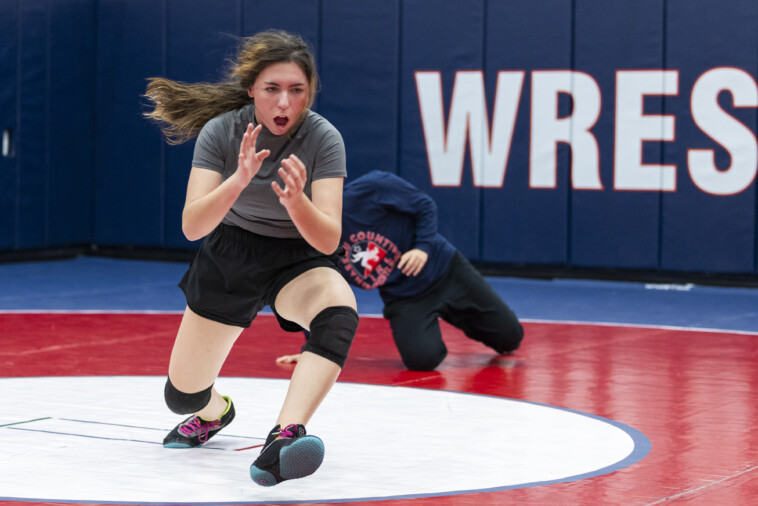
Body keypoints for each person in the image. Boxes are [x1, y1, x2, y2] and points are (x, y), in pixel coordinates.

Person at [143, 30, 358, 487]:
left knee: (338, 311)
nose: (284, 103)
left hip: (297, 257)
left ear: (309, 93)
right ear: (251, 91)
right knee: (182, 396)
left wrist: (298, 202)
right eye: (272, 89)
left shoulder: (324, 138)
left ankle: (284, 438)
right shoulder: (222, 131)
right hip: (231, 252)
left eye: (296, 91)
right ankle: (215, 412)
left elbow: (327, 240)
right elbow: (192, 227)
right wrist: (238, 180)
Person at [276, 170, 523, 371]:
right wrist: (313, 350)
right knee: (422, 361)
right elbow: (320, 295)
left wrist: (422, 247)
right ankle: (433, 322)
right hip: (403, 296)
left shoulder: (373, 188)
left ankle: (462, 314)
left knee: (511, 337)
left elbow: (424, 206)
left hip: (445, 270)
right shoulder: (315, 242)